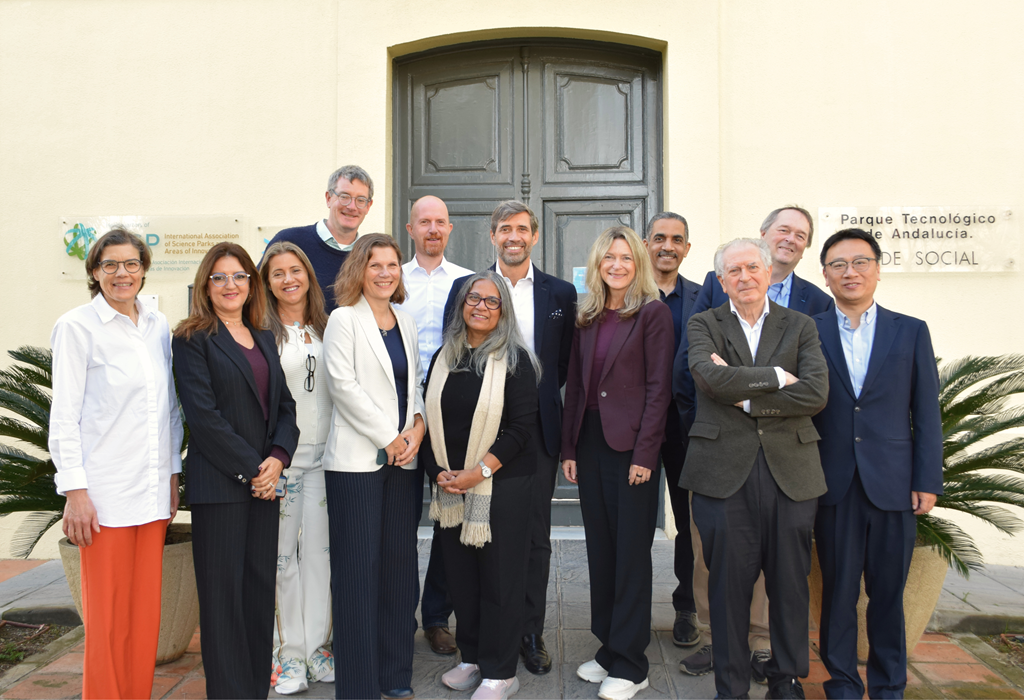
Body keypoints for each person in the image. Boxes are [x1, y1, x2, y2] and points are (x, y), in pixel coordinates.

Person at [674, 205, 833, 681]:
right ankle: (731, 684)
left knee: (789, 584)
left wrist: (742, 395)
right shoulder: (704, 324)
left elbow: (815, 393)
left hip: (791, 472)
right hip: (720, 470)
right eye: (733, 271)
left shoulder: (801, 325)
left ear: (768, 272)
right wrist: (778, 377)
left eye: (752, 268)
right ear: (721, 281)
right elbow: (708, 380)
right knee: (726, 584)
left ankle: (786, 679)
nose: (744, 277)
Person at [443, 200, 576, 675]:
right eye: (505, 228)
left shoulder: (561, 293)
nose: (513, 236)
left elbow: (563, 365)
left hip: (534, 431)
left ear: (534, 236)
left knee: (533, 537)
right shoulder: (469, 289)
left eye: (522, 228)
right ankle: (478, 637)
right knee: (472, 534)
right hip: (474, 432)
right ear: (493, 236)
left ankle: (529, 632)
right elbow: (454, 350)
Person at [50, 228, 183, 700]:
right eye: (110, 265)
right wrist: (75, 492)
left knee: (144, 616)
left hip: (151, 492)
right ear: (94, 271)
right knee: (107, 620)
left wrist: (172, 475)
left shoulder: (157, 325)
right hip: (102, 497)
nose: (121, 273)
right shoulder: (76, 327)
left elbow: (169, 409)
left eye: (131, 263)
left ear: (143, 269)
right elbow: (64, 417)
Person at [812, 228, 943, 699]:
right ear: (825, 275)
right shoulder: (808, 330)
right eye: (839, 264)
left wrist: (927, 479)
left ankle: (889, 686)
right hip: (833, 483)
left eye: (860, 262)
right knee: (838, 593)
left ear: (877, 269)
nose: (850, 272)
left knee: (888, 595)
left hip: (893, 484)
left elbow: (926, 410)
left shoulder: (910, 330)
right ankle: (843, 684)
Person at [173, 242, 299, 699]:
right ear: (206, 286)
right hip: (222, 488)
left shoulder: (262, 335)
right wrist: (255, 471)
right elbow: (204, 419)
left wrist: (278, 458)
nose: (231, 285)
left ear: (251, 283)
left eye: (240, 276)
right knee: (223, 602)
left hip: (265, 485)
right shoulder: (192, 339)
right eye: (220, 277)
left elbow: (285, 408)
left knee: (258, 595)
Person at [561, 226, 674, 700]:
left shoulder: (652, 313)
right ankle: (610, 649)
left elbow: (659, 389)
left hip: (631, 450)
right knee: (602, 550)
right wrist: (569, 448)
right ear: (597, 264)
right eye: (609, 257)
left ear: (638, 263)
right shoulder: (587, 314)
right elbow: (575, 384)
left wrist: (646, 454)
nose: (617, 265)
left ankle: (632, 664)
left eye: (626, 257)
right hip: (590, 444)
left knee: (630, 555)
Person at [422, 270, 541, 700]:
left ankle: (501, 672)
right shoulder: (445, 356)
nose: (482, 307)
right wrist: (437, 471)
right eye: (474, 298)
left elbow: (521, 430)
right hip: (452, 488)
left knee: (499, 580)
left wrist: (479, 472)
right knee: (462, 579)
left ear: (503, 311)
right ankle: (472, 658)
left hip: (502, 485)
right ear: (461, 304)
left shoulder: (515, 360)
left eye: (493, 301)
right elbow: (427, 418)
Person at [321, 234, 425, 700]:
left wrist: (417, 428)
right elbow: (342, 386)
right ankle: (359, 685)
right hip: (357, 464)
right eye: (375, 265)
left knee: (399, 570)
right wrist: (389, 437)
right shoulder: (343, 319)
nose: (385, 273)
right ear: (359, 270)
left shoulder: (406, 320)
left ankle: (394, 674)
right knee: (358, 573)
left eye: (392, 265)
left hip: (403, 461)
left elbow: (413, 385)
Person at [393, 195, 471, 655]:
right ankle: (399, 615)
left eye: (440, 221)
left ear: (450, 228)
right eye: (424, 222)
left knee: (448, 518)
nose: (433, 229)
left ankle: (438, 617)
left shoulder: (466, 282)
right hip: (399, 415)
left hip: (448, 416)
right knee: (400, 519)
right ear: (411, 229)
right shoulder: (391, 278)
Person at [259, 242, 335, 694]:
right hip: (282, 463)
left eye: (295, 270)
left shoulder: (329, 326)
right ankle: (287, 656)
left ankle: (317, 650)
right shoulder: (260, 333)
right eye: (278, 273)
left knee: (321, 559)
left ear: (308, 275)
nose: (289, 279)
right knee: (283, 560)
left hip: (327, 460)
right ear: (267, 284)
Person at [642, 212, 702, 649]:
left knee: (689, 522)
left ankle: (687, 606)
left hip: (688, 429)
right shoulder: (628, 293)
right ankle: (632, 607)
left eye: (676, 239)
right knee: (636, 523)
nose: (668, 246)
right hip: (638, 429)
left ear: (686, 248)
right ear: (646, 243)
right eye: (660, 237)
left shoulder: (705, 297)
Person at [263, 165, 374, 311]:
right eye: (344, 197)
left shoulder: (369, 256)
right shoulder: (289, 241)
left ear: (368, 206)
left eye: (360, 200)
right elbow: (257, 292)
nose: (352, 206)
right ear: (328, 198)